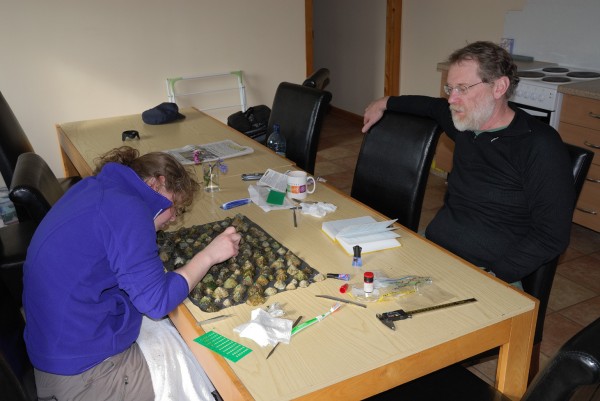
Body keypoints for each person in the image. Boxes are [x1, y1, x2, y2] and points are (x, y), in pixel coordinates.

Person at [23, 146, 241, 401]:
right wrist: (209, 255)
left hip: (56, 350)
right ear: (156, 183)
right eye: (174, 207)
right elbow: (157, 303)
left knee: (183, 332)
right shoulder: (128, 209)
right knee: (210, 363)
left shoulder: (97, 187)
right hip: (82, 379)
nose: (172, 219)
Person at [362, 41, 575, 284]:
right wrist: (385, 102)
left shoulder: (539, 145)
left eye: (462, 88)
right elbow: (431, 106)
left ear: (499, 87)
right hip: (434, 247)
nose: (452, 99)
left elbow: (551, 235)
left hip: (488, 270)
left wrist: (493, 277)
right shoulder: (466, 123)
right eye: (450, 88)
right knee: (362, 275)